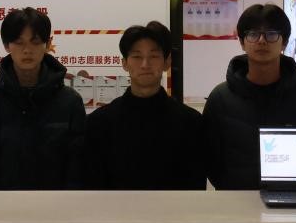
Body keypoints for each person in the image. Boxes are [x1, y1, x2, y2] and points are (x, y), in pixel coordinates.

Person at [203, 3, 296, 190]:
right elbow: (210, 159)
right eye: (253, 34)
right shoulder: (220, 98)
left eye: (271, 34)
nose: (262, 41)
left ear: (284, 42)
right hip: (236, 200)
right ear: (242, 42)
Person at [0, 7, 86, 189]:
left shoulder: (70, 102)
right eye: (19, 42)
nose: (27, 50)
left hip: (57, 205)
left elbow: (77, 167)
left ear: (47, 44)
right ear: (7, 45)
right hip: (0, 206)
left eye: (35, 42)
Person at [81, 21, 206, 190]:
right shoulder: (100, 123)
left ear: (167, 61)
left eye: (153, 56)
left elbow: (195, 189)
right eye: (137, 56)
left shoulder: (190, 123)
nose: (145, 64)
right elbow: (92, 187)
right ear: (124, 63)